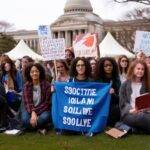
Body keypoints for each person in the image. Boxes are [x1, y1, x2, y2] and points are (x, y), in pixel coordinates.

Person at [119, 60, 150, 133]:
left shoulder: (147, 84)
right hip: (129, 113)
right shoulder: (125, 84)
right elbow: (122, 103)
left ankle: (134, 130)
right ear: (133, 69)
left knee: (144, 116)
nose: (140, 71)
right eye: (138, 68)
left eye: (142, 69)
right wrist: (131, 110)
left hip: (146, 112)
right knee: (142, 117)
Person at [21, 63, 51, 135]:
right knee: (25, 120)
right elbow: (28, 102)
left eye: (36, 71)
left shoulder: (46, 85)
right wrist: (33, 113)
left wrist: (36, 113)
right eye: (32, 72)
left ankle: (30, 127)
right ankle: (43, 127)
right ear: (29, 74)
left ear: (40, 72)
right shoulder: (26, 86)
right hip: (29, 109)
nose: (34, 73)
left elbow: (46, 103)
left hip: (43, 109)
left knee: (43, 118)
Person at [97, 57, 121, 126]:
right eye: (106, 66)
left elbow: (119, 99)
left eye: (110, 65)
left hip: (113, 105)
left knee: (116, 109)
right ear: (102, 67)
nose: (108, 67)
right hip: (101, 105)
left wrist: (113, 94)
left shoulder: (116, 80)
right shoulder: (98, 80)